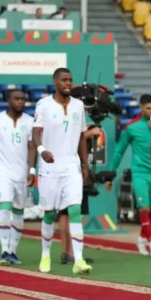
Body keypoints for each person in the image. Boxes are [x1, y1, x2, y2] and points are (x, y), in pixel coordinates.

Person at [33, 68, 92, 275]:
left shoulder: (79, 106)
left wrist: (85, 165)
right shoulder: (44, 105)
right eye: (64, 80)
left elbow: (83, 137)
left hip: (71, 168)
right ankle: (46, 255)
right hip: (49, 170)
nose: (68, 83)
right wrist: (42, 151)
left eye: (70, 79)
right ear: (55, 81)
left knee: (75, 210)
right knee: (49, 214)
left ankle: (79, 259)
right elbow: (36, 133)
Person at [0, 90, 36, 266]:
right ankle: (4, 250)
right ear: (8, 100)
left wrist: (32, 170)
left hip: (22, 175)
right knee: (5, 207)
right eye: (17, 99)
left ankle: (13, 250)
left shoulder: (30, 122)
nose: (20, 102)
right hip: (3, 173)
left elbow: (31, 147)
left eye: (23, 99)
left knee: (19, 212)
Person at [107, 95, 151, 257]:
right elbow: (119, 151)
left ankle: (141, 239)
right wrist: (110, 174)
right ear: (141, 109)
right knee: (144, 208)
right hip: (139, 173)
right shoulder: (131, 128)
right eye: (148, 108)